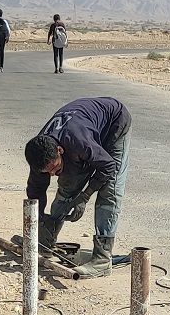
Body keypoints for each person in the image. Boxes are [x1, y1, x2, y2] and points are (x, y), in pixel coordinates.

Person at [22, 95, 128, 277]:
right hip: (83, 128)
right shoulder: (40, 154)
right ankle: (46, 242)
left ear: (59, 151)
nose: (53, 174)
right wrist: (39, 221)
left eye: (55, 168)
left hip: (114, 122)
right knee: (67, 185)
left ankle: (102, 259)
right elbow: (35, 191)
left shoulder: (79, 142)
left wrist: (84, 197)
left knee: (109, 190)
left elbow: (108, 166)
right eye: (48, 172)